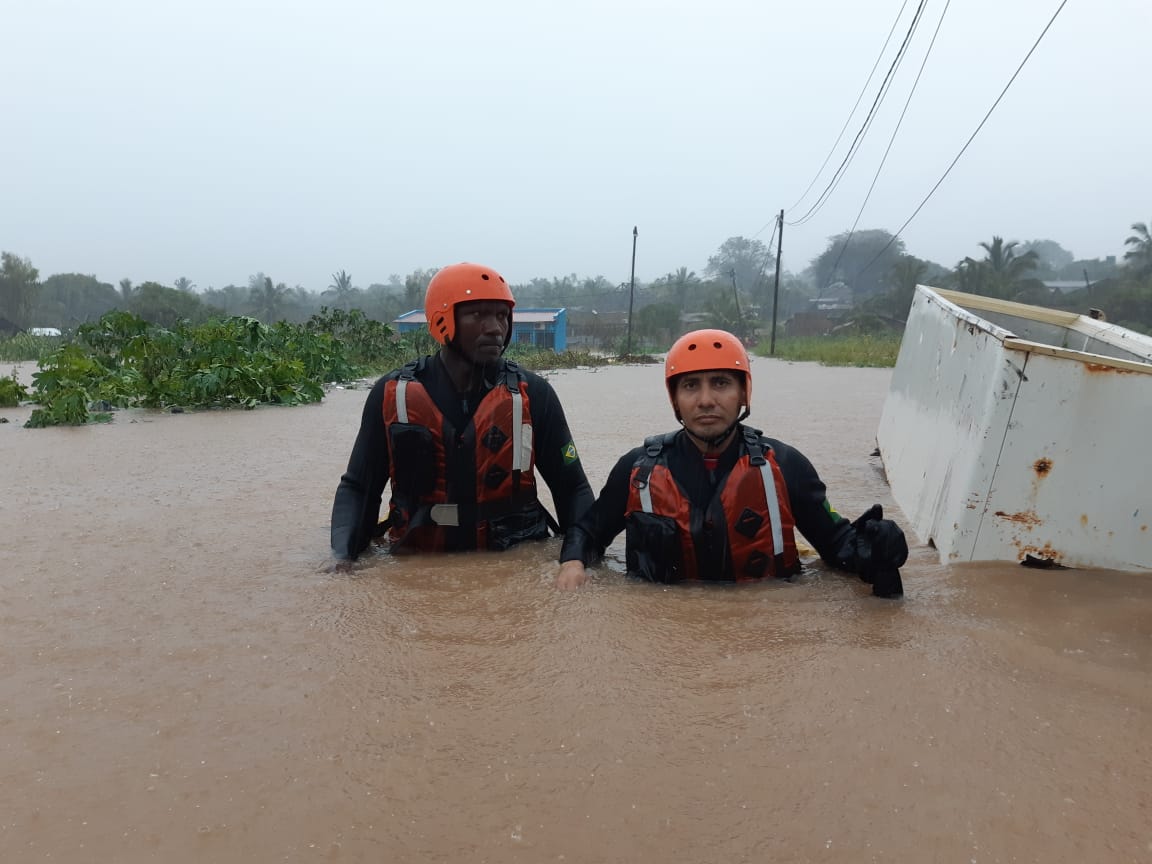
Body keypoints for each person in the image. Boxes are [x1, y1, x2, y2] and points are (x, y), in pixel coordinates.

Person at [556, 328, 908, 597]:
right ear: (675, 400)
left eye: (721, 383)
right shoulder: (636, 471)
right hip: (665, 640)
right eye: (691, 386)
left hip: (762, 633)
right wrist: (572, 564)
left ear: (743, 393)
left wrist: (873, 547)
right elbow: (587, 532)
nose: (706, 400)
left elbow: (838, 545)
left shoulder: (786, 466)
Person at [331, 262, 594, 561]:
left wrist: (577, 559)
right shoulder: (392, 395)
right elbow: (358, 488)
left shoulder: (535, 394)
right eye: (477, 314)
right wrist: (342, 562)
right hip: (420, 558)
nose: (495, 328)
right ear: (443, 320)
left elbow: (573, 489)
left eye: (501, 315)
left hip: (515, 557)